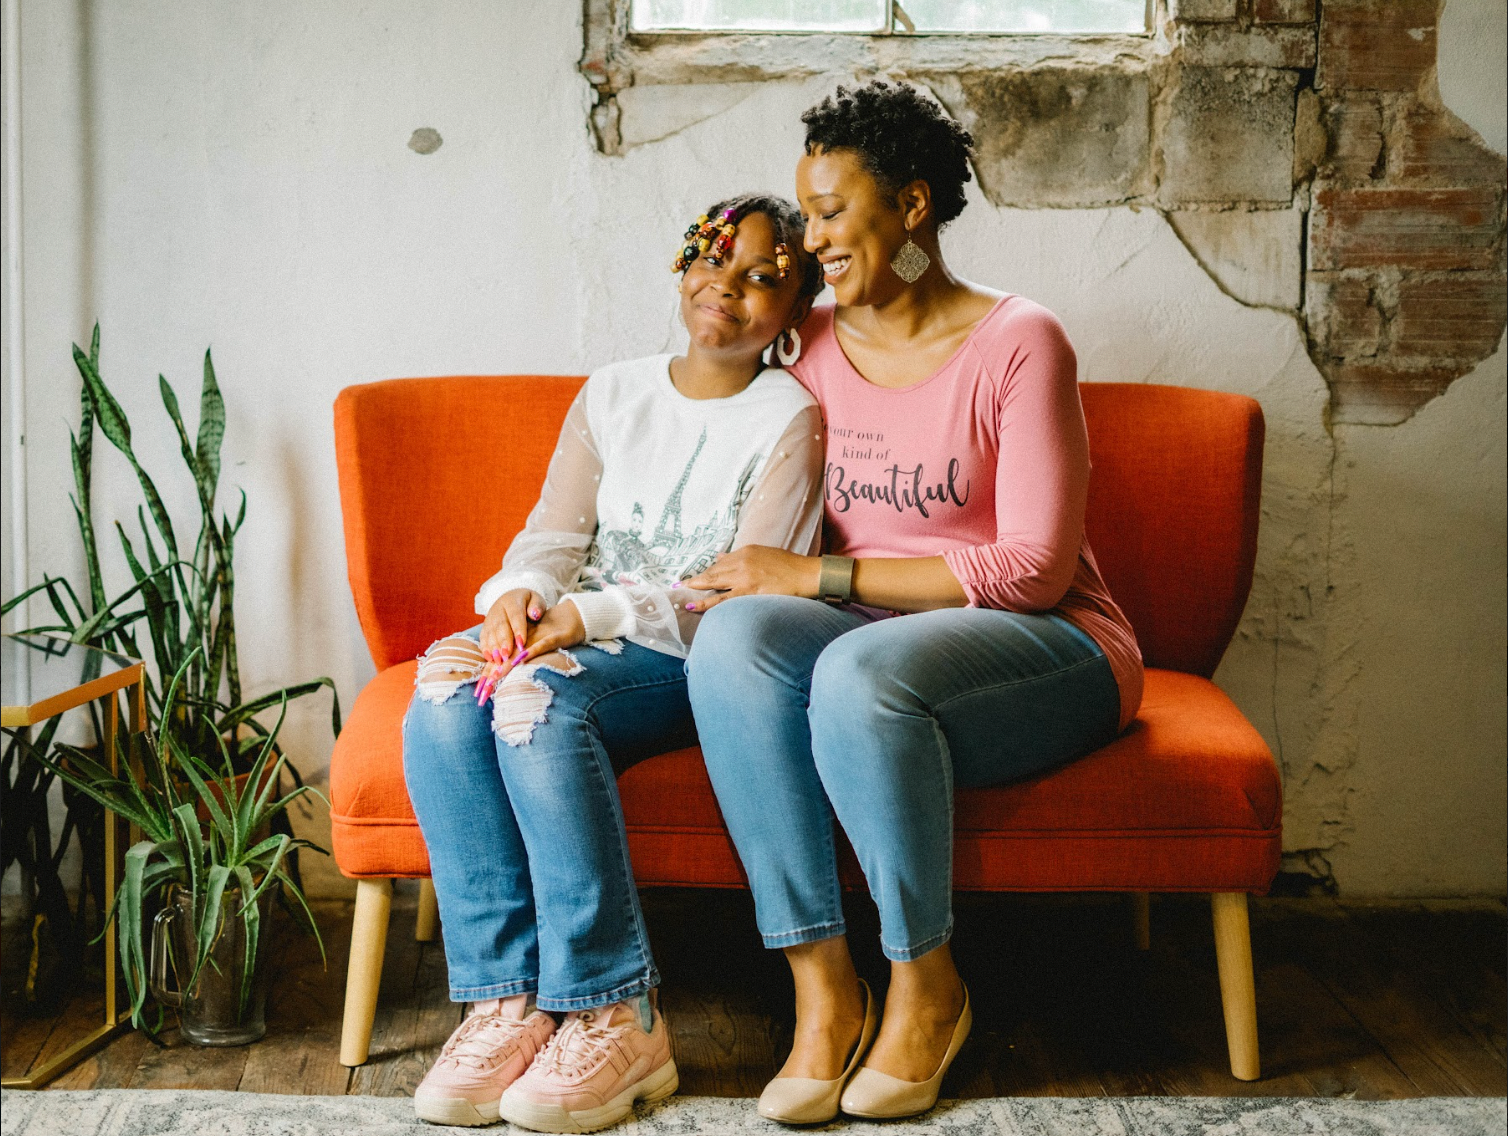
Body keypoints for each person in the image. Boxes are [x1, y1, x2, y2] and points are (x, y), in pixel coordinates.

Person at [684, 81, 1144, 1125]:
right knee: (736, 640)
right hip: (874, 645)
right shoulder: (802, 340)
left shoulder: (1020, 342)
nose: (814, 238)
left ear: (912, 206)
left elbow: (1031, 564)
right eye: (805, 212)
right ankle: (822, 988)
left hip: (1046, 645)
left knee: (854, 668)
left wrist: (816, 576)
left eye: (833, 210)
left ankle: (928, 983)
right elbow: (695, 371)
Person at [401, 193, 825, 1133]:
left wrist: (588, 616)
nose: (732, 286)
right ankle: (505, 1002)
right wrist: (517, 589)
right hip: (573, 628)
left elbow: (744, 592)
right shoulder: (614, 390)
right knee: (440, 690)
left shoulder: (789, 417)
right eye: (717, 259)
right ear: (684, 266)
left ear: (797, 314)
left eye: (767, 278)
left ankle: (615, 1011)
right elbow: (558, 529)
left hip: (686, 656)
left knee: (535, 705)